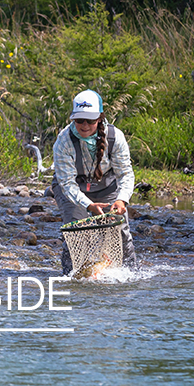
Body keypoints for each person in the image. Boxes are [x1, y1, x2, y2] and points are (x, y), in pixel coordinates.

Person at [51, 89, 136, 274]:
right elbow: (66, 184)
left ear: (100, 118)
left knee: (119, 230)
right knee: (77, 231)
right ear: (73, 119)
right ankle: (72, 277)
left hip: (107, 185)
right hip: (71, 188)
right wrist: (88, 205)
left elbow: (126, 174)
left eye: (90, 120)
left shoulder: (115, 137)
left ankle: (130, 275)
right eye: (79, 120)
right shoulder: (63, 141)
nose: (85, 125)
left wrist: (121, 200)